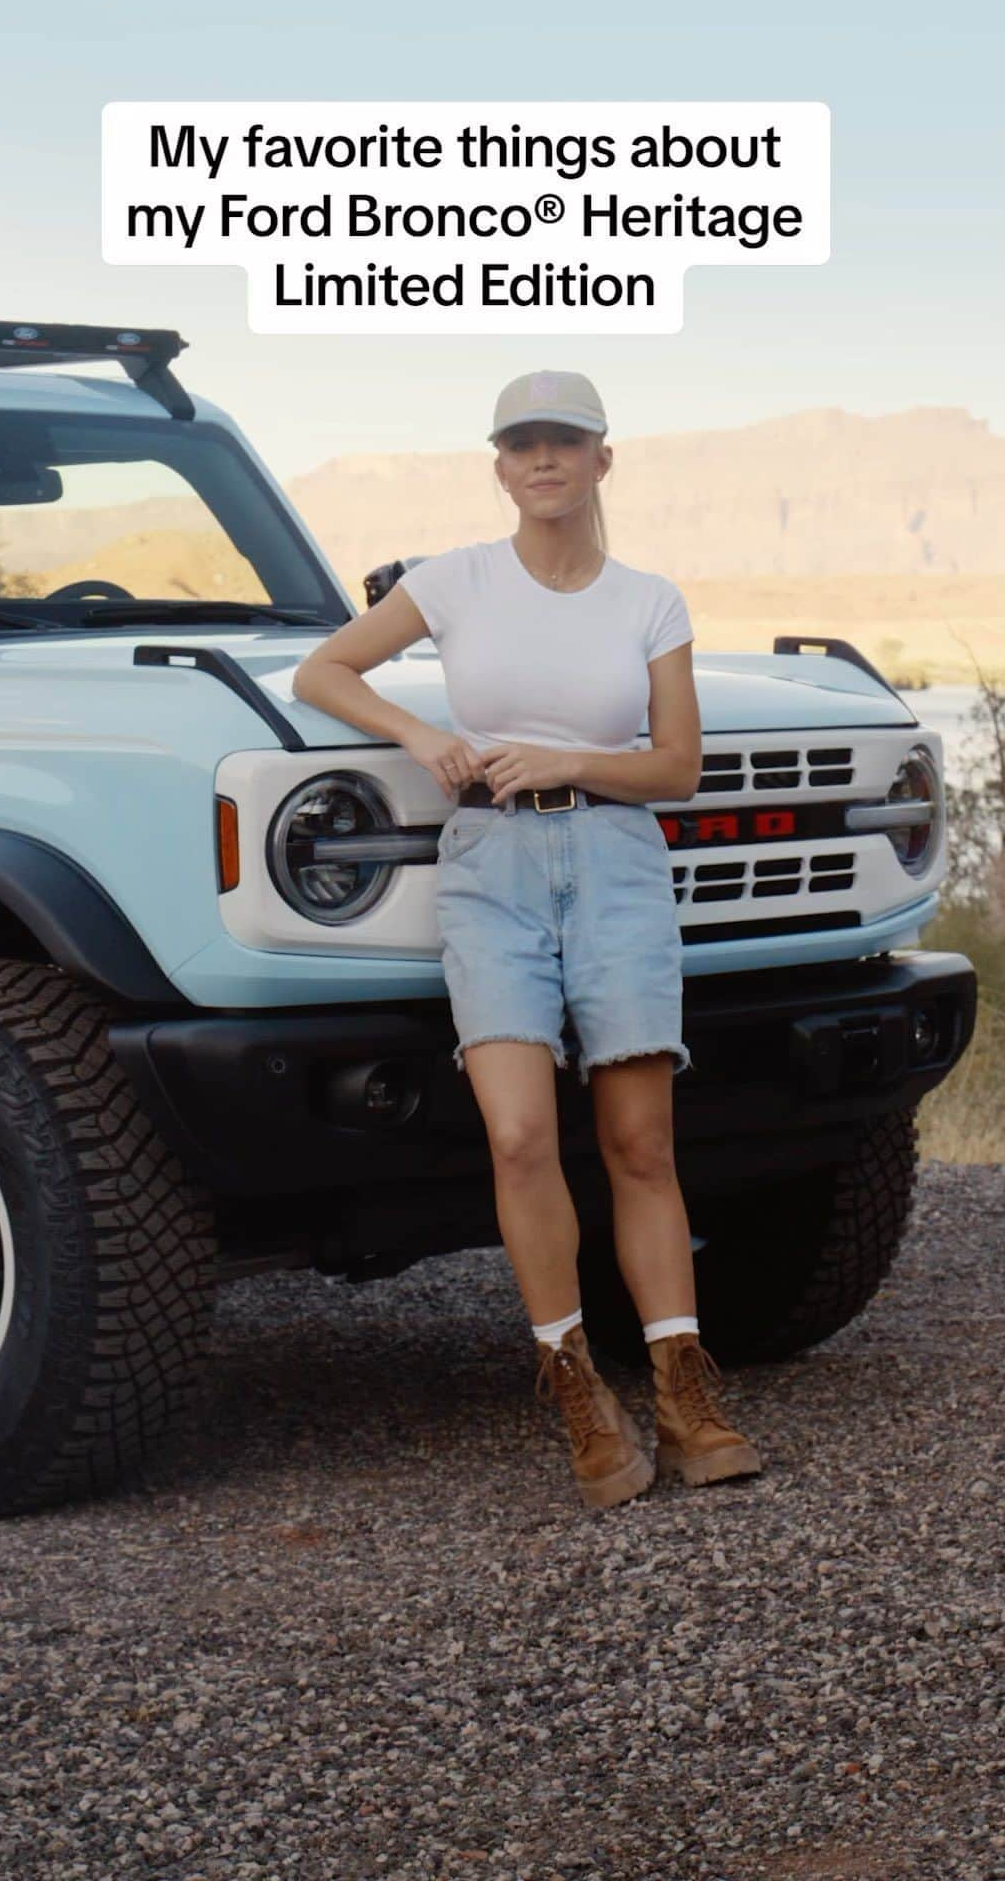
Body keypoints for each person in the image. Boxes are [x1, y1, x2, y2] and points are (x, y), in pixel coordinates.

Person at [292, 368, 762, 1511]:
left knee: (641, 1141)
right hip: (490, 869)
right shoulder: (454, 580)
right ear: (500, 466)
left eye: (564, 441)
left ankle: (681, 1389)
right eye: (520, 444)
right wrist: (420, 732)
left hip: (614, 868)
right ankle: (574, 1392)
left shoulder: (651, 601)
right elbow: (324, 670)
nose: (541, 460)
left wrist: (566, 761)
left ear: (604, 459)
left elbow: (679, 769)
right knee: (516, 1137)